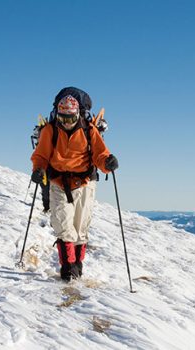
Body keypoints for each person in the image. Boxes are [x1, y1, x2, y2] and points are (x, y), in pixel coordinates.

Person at [30, 94, 118, 281]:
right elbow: (41, 156)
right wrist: (38, 169)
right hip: (58, 182)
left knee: (80, 226)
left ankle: (78, 264)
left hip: (84, 183)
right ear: (58, 115)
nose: (67, 123)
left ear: (78, 115)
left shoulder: (89, 130)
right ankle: (68, 267)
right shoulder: (50, 131)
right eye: (63, 119)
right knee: (63, 224)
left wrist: (107, 163)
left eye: (71, 118)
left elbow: (100, 154)